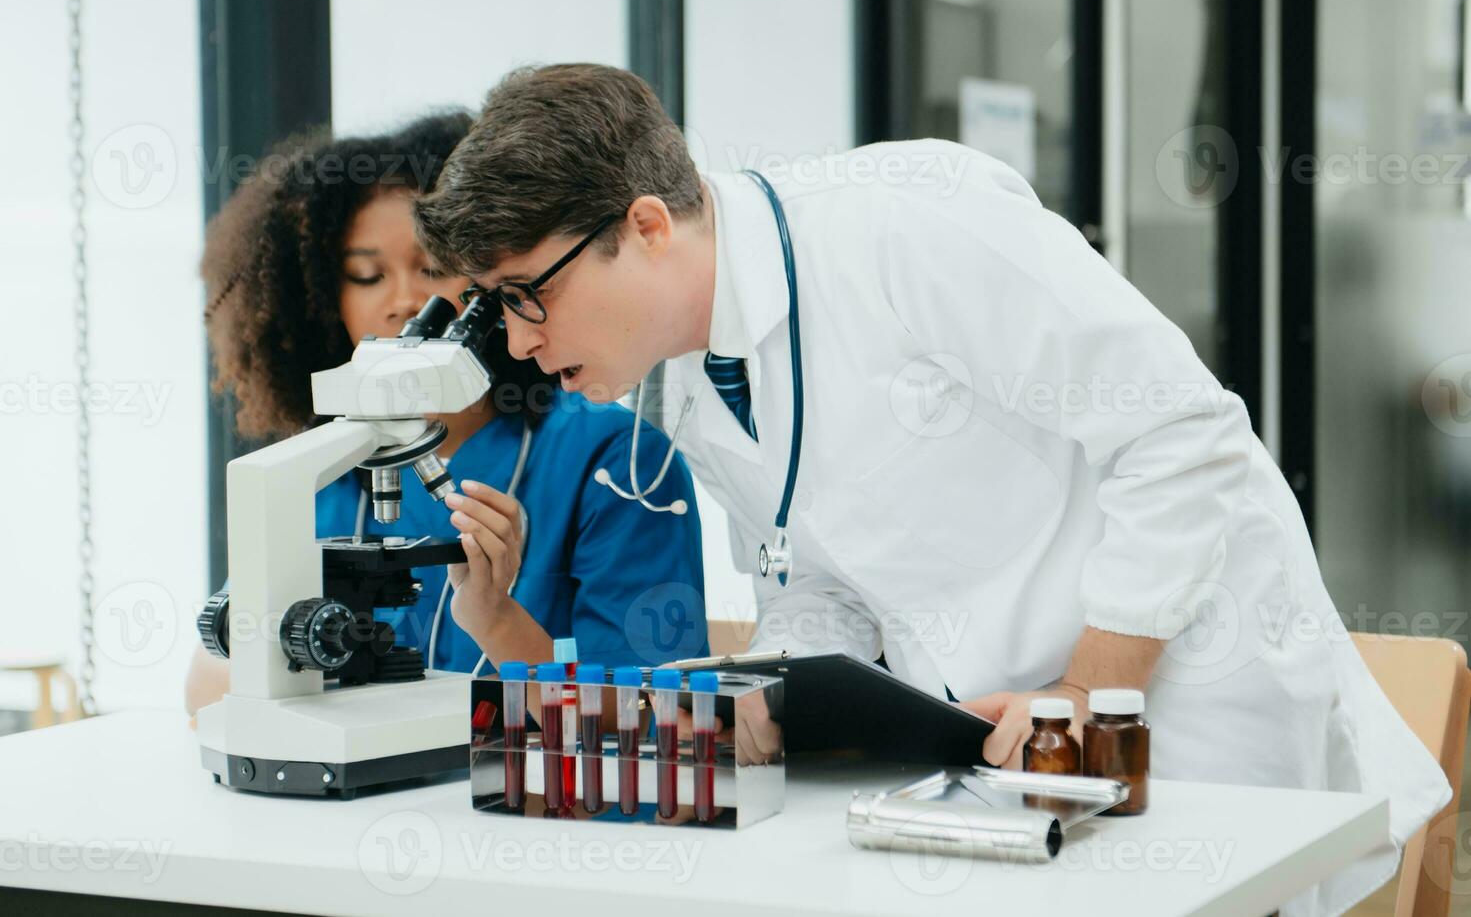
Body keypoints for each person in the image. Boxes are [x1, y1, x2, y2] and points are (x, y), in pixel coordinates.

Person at [412, 64, 1451, 915]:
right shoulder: (686, 377)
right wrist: (763, 694)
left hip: (1184, 718)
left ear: (642, 226)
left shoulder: (904, 224)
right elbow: (825, 571)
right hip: (994, 761)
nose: (514, 339)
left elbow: (1182, 433)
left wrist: (1086, 690)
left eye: (523, 295)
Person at [185, 111, 707, 716]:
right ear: (322, 301)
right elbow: (206, 692)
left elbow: (653, 717)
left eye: (433, 270)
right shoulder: (314, 472)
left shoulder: (617, 464)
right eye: (366, 275)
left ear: (493, 285)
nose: (404, 300)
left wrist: (496, 618)